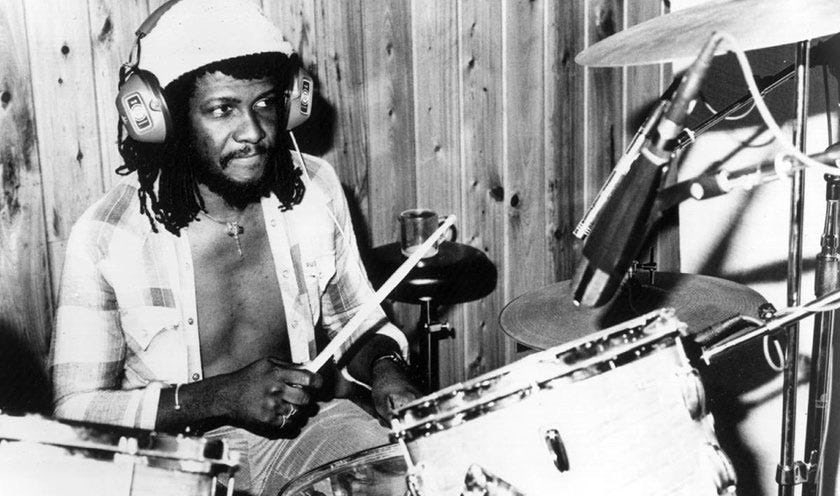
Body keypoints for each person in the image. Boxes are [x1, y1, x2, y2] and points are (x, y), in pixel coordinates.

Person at [49, 0, 419, 494]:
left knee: (411, 478)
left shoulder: (314, 188)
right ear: (167, 119)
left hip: (306, 429)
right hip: (175, 457)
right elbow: (74, 411)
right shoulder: (107, 234)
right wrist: (220, 396)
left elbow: (355, 324)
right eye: (222, 109)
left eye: (265, 104)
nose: (253, 132)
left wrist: (387, 368)